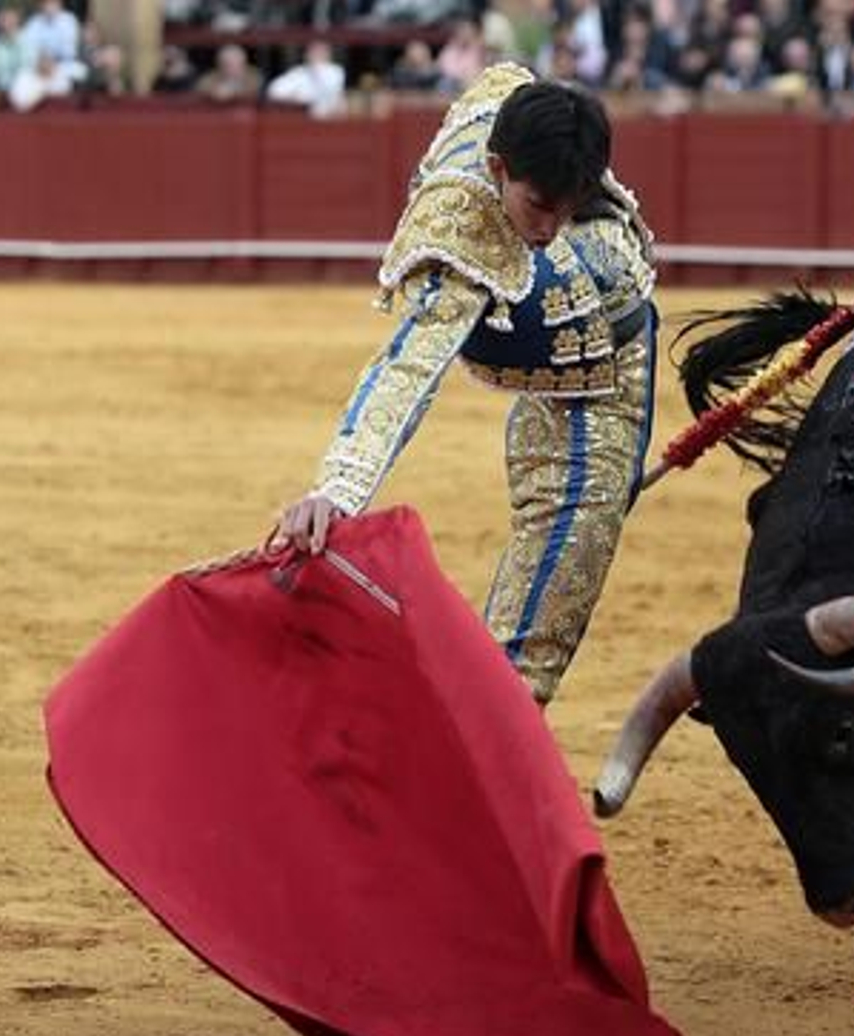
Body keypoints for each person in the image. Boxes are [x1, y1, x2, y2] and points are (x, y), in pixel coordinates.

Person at [272, 63, 657, 708]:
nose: (548, 230)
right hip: (593, 388)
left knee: (548, 579)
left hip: (600, 359)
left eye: (567, 210)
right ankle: (466, 762)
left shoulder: (520, 106)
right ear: (498, 167)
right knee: (529, 649)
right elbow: (408, 366)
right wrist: (337, 491)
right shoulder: (461, 230)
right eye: (539, 206)